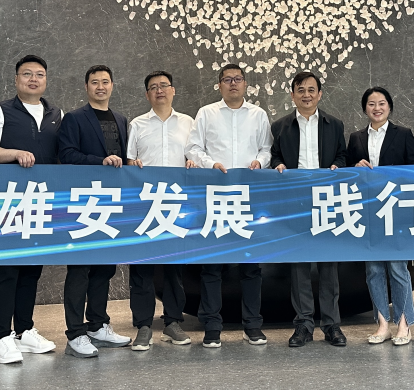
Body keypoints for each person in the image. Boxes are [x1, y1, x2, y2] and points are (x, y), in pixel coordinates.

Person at [0, 55, 62, 364]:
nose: (33, 79)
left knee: (31, 270)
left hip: (41, 202)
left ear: (46, 80)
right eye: (27, 74)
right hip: (7, 203)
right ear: (16, 80)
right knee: (6, 271)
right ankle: (2, 337)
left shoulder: (56, 114)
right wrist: (13, 153)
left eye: (39, 74)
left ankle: (24, 331)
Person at [185, 63, 272, 349]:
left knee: (251, 266)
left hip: (248, 197)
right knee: (212, 266)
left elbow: (266, 148)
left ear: (245, 83)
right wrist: (210, 164)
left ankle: (252, 325)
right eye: (227, 79)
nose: (233, 83)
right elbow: (193, 148)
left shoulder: (258, 115)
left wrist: (260, 161)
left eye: (237, 79)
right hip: (215, 197)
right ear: (219, 85)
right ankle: (212, 326)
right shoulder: (206, 113)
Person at [57, 65, 133, 357]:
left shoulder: (121, 119)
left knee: (105, 267)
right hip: (84, 202)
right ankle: (75, 333)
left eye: (105, 81)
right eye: (94, 82)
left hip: (112, 202)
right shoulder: (75, 118)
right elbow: (66, 154)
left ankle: (97, 325)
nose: (100, 86)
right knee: (80, 268)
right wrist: (99, 161)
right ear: (86, 87)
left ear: (112, 85)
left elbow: (123, 158)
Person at [270, 72, 348, 348]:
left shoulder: (334, 124)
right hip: (296, 202)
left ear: (320, 94)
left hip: (326, 200)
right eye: (300, 90)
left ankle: (331, 324)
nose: (306, 95)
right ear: (292, 95)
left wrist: (338, 165)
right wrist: (277, 165)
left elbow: (342, 155)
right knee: (300, 265)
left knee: (328, 264)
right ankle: (303, 324)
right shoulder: (280, 126)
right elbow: (274, 156)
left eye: (311, 90)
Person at [125, 71, 197, 350]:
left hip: (178, 202)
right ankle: (143, 325)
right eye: (153, 87)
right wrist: (132, 164)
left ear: (173, 90)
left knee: (174, 267)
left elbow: (196, 154)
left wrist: (192, 162)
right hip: (146, 203)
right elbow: (129, 160)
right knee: (141, 266)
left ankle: (172, 322)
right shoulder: (137, 124)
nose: (159, 90)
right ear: (147, 94)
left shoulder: (189, 123)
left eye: (164, 85)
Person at [346, 87, 414, 347]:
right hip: (367, 212)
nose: (377, 108)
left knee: (398, 268)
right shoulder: (356, 138)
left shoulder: (404, 134)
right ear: (364, 108)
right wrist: (355, 167)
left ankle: (404, 323)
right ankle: (382, 323)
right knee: (373, 269)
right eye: (371, 104)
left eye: (382, 103)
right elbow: (347, 174)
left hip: (396, 209)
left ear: (389, 106)